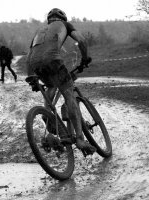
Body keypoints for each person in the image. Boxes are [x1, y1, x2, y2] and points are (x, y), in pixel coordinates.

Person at [26, 8, 96, 153]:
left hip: (35, 64)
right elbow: (81, 40)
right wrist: (85, 58)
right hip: (53, 60)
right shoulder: (65, 25)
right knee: (68, 93)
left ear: (49, 19)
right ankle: (80, 139)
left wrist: (32, 77)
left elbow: (30, 54)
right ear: (62, 18)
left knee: (51, 86)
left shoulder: (40, 31)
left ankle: (49, 118)